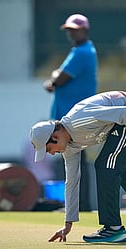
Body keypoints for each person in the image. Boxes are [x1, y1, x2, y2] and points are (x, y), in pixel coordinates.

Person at [30, 91, 126, 243]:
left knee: (105, 166)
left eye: (48, 149)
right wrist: (68, 224)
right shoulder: (69, 148)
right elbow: (72, 182)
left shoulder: (78, 121)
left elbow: (124, 113)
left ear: (55, 137)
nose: (51, 154)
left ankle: (113, 228)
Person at [43, 13, 97, 211]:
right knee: (76, 161)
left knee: (75, 162)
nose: (72, 34)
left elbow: (59, 79)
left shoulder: (81, 52)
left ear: (85, 30)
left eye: (75, 30)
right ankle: (79, 205)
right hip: (74, 118)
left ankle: (78, 206)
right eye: (70, 31)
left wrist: (54, 77)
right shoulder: (82, 50)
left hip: (73, 119)